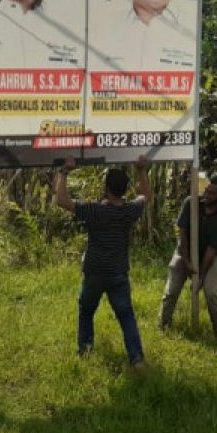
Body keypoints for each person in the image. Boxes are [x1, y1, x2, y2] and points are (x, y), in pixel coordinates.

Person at [54, 156, 150, 365]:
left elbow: (62, 201)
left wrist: (63, 172)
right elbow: (145, 196)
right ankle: (137, 359)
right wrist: (142, 170)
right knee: (126, 316)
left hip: (95, 272)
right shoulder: (130, 211)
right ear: (125, 189)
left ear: (106, 188)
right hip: (118, 273)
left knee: (86, 311)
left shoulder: (95, 210)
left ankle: (85, 352)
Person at [158, 174, 217, 338]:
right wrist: (186, 260)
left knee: (212, 293)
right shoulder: (191, 203)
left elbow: (212, 251)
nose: (207, 194)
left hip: (208, 258)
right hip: (184, 252)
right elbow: (182, 234)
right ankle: (163, 325)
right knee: (171, 290)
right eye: (207, 190)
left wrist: (200, 277)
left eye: (212, 193)